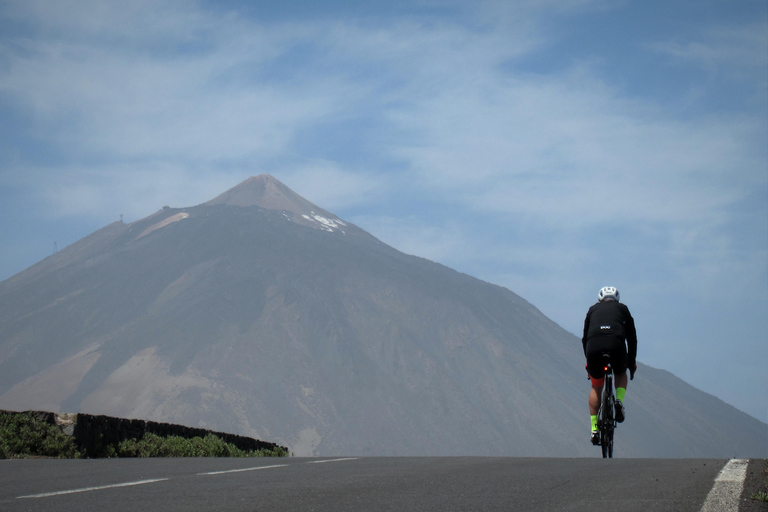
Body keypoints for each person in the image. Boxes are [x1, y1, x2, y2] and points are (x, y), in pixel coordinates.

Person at [582, 286, 637, 445]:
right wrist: (631, 363)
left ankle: (594, 429)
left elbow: (585, 339)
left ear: (600, 299)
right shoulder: (623, 309)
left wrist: (589, 363)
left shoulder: (592, 310)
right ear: (616, 299)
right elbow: (632, 339)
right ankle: (618, 402)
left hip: (594, 348)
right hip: (616, 346)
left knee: (596, 386)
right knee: (620, 373)